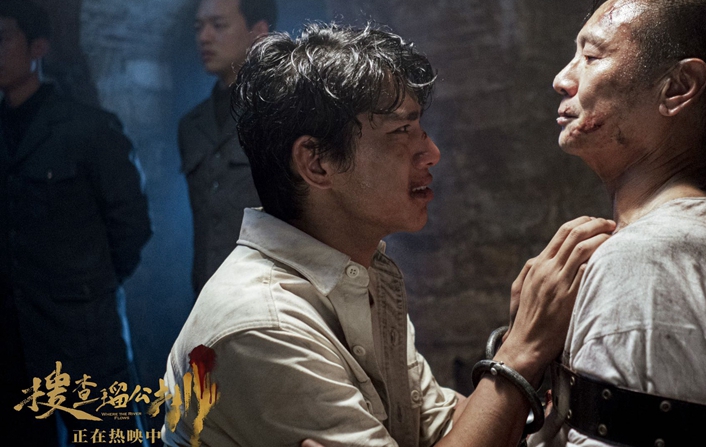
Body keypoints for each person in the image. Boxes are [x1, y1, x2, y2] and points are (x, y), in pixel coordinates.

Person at [161, 23, 615, 447]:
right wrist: (522, 349)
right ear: (317, 163)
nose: (431, 152)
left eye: (421, 129)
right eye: (401, 131)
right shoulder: (264, 326)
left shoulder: (358, 275)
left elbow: (438, 427)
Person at [528, 0, 706, 445]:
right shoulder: (693, 239)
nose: (562, 79)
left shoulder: (647, 263)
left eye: (592, 56)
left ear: (677, 88)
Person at [0, 1, 152, 445]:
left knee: (108, 437)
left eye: (3, 38)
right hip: (13, 336)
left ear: (37, 47)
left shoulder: (88, 129)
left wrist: (88, 287)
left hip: (83, 333)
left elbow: (131, 225)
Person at [179, 0, 275, 296]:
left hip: (269, 293)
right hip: (209, 293)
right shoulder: (192, 124)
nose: (204, 37)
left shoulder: (282, 113)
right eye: (199, 27)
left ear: (258, 32)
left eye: (218, 25)